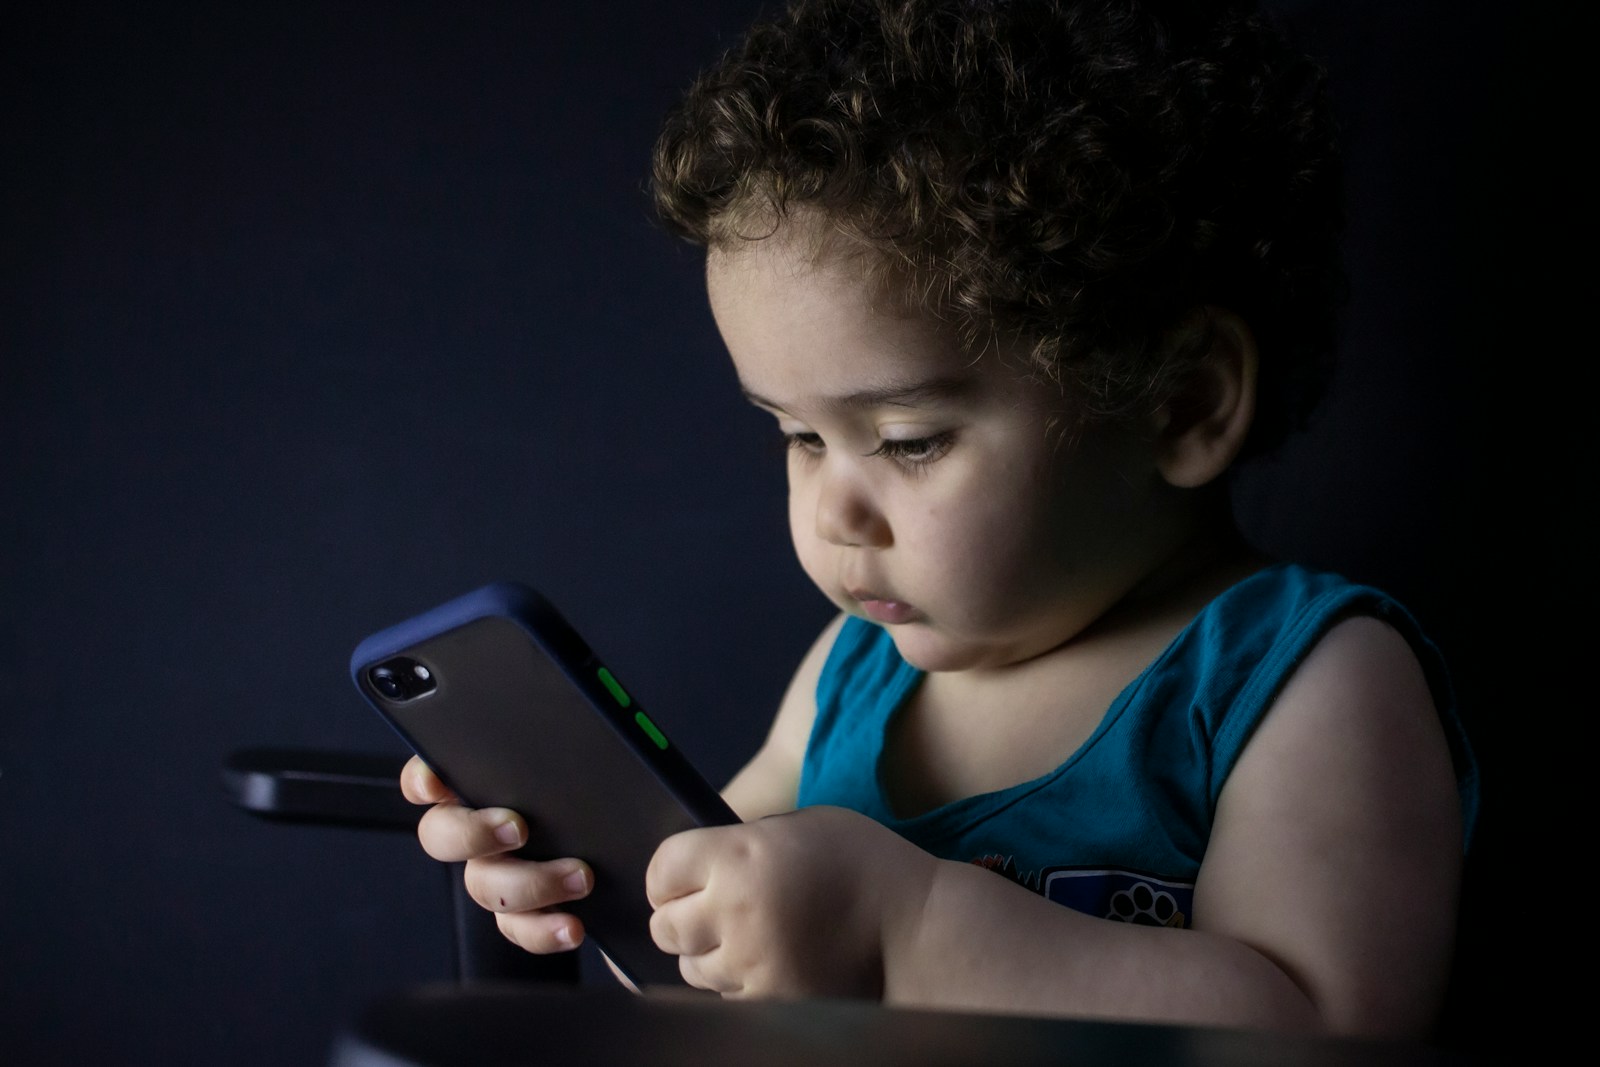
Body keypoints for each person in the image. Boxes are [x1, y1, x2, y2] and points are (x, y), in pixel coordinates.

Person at [401, 0, 1477, 1038]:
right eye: (798, 436)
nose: (835, 508)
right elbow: (713, 965)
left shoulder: (1300, 681)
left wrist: (908, 929)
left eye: (909, 439)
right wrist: (598, 877)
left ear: (1180, 401)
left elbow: (1325, 1030)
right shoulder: (849, 672)